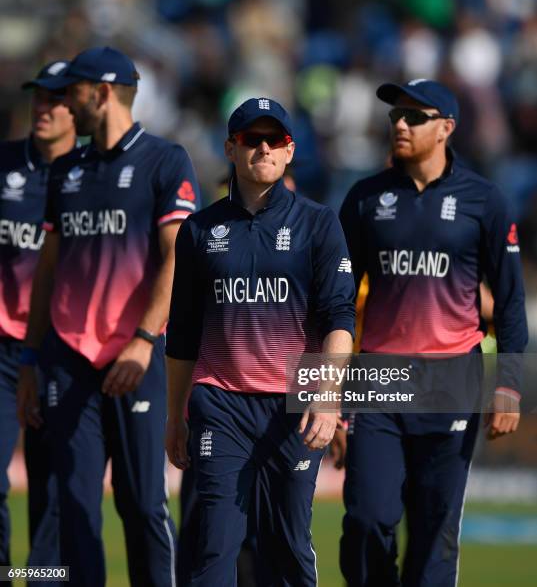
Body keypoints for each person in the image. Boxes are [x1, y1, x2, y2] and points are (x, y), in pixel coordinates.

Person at [17, 46, 201, 587]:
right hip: (68, 360)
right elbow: (48, 270)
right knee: (73, 505)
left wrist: (145, 339)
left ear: (101, 93)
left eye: (72, 91)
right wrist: (30, 358)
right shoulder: (66, 170)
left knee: (142, 503)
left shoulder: (165, 161)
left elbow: (176, 260)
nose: (65, 104)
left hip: (136, 359)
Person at [338, 79, 528, 586]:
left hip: (451, 381)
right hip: (378, 379)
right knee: (365, 519)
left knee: (433, 532)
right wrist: (323, 396)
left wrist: (507, 385)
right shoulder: (363, 198)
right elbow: (333, 302)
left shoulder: (484, 201)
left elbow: (509, 301)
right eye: (395, 115)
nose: (400, 124)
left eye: (414, 117)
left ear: (447, 128)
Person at [166, 97, 355, 586]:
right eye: (252, 139)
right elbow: (183, 332)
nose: (264, 147)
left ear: (290, 152)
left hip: (292, 405)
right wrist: (174, 416)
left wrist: (329, 396)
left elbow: (340, 316)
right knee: (213, 544)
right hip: (220, 403)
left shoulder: (318, 223)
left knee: (287, 545)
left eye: (275, 140)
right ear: (231, 148)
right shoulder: (199, 230)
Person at [0, 60, 76, 572]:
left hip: (65, 351)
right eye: (38, 97)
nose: (42, 108)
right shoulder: (2, 164)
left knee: (54, 489)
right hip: (3, 347)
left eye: (55, 99)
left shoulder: (96, 176)